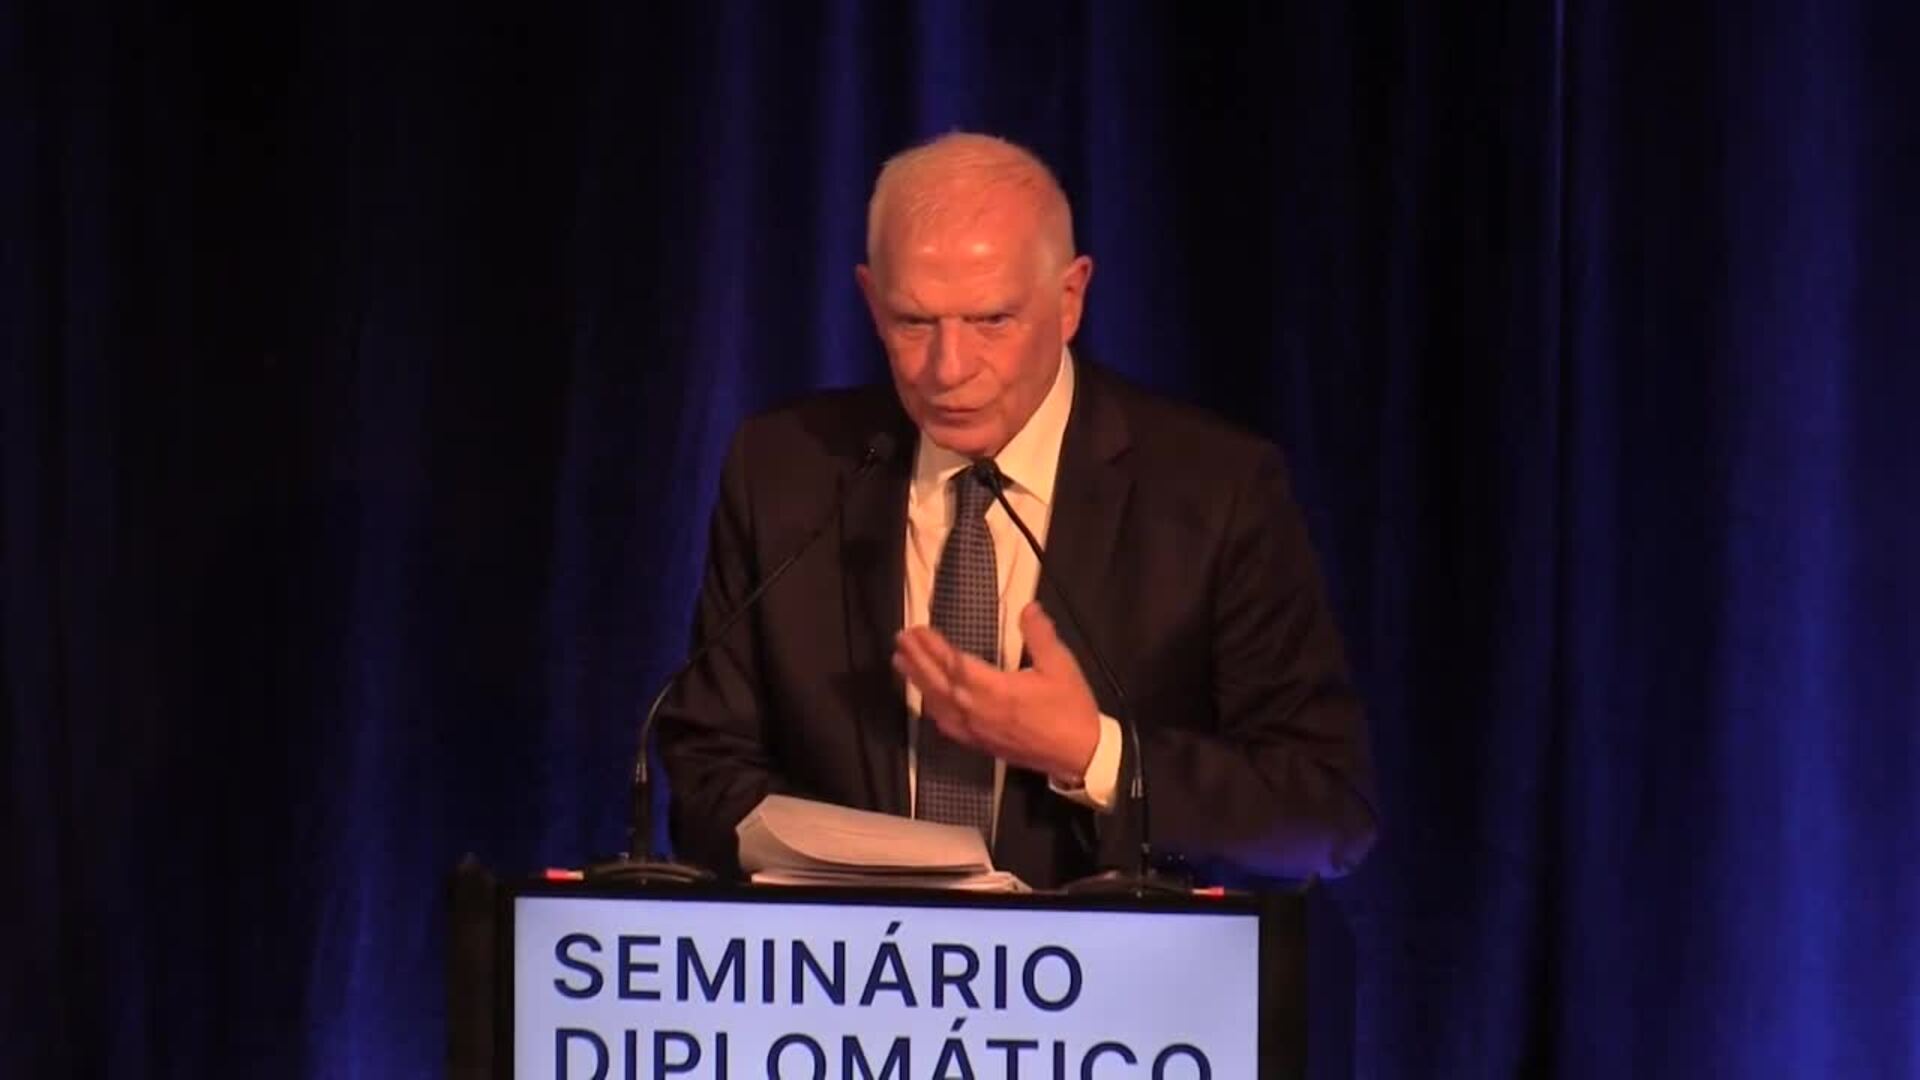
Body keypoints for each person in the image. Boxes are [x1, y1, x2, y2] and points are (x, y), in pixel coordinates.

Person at [656, 132, 1377, 889]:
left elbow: (1325, 811)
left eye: (992, 321)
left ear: (1070, 300)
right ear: (870, 300)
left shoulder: (1215, 492)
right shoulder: (784, 472)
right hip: (853, 959)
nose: (949, 369)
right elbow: (706, 768)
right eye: (913, 323)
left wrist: (1093, 754)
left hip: (1111, 963)